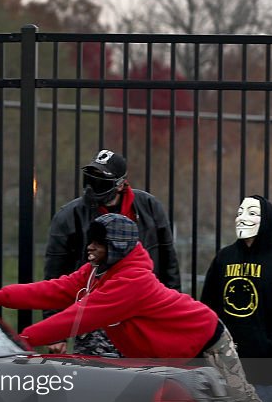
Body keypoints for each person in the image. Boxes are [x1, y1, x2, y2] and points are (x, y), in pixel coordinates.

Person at [0, 213, 260, 402]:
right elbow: (56, 290)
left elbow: (77, 317)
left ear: (116, 247)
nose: (89, 248)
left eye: (98, 243)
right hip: (170, 351)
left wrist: (21, 341)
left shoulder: (132, 281)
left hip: (205, 339)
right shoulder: (99, 272)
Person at [43, 149, 180, 355]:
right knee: (97, 382)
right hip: (95, 320)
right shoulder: (69, 217)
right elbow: (55, 273)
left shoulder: (149, 208)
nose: (91, 188)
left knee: (145, 382)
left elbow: (169, 264)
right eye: (88, 180)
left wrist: (172, 317)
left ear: (121, 184)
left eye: (100, 181)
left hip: (141, 317)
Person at [201, 195, 272, 402]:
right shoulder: (224, 258)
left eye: (251, 213)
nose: (242, 218)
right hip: (228, 370)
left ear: (266, 219)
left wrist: (267, 347)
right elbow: (207, 309)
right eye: (239, 212)